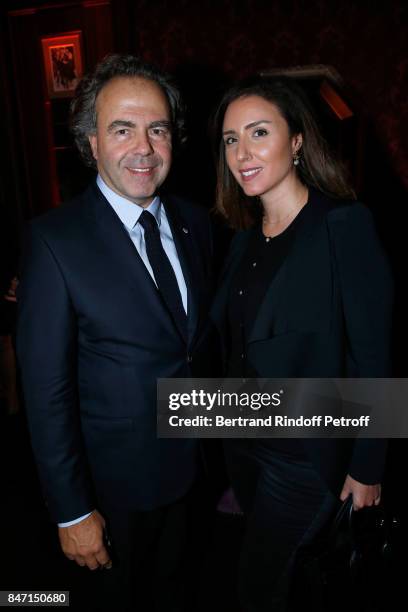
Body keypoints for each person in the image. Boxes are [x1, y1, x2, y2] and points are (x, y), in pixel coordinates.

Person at [17, 54, 214, 611]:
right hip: (112, 497)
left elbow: (192, 348)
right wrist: (72, 510)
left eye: (157, 129)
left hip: (194, 474)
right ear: (91, 143)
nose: (143, 149)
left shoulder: (197, 223)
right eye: (122, 130)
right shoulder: (54, 242)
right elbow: (45, 393)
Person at [210, 75, 393, 611]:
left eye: (259, 132)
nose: (242, 153)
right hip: (245, 444)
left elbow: (373, 355)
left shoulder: (343, 226)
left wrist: (368, 467)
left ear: (296, 142)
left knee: (257, 585)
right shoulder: (242, 237)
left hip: (306, 456)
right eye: (230, 139)